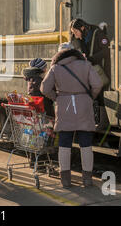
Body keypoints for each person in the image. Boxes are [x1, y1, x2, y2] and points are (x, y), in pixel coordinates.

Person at [41, 42, 103, 188]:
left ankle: (66, 180)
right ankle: (87, 179)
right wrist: (90, 97)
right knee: (86, 144)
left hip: (64, 106)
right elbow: (98, 84)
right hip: (84, 105)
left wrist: (56, 97)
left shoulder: (55, 67)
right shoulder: (85, 64)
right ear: (73, 52)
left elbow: (44, 88)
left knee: (64, 143)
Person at [70, 19, 110, 130]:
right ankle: (92, 120)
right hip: (89, 69)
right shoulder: (81, 37)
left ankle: (103, 123)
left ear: (82, 28)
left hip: (100, 69)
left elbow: (106, 51)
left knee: (101, 93)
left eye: (75, 32)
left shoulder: (98, 34)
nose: (75, 35)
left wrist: (91, 59)